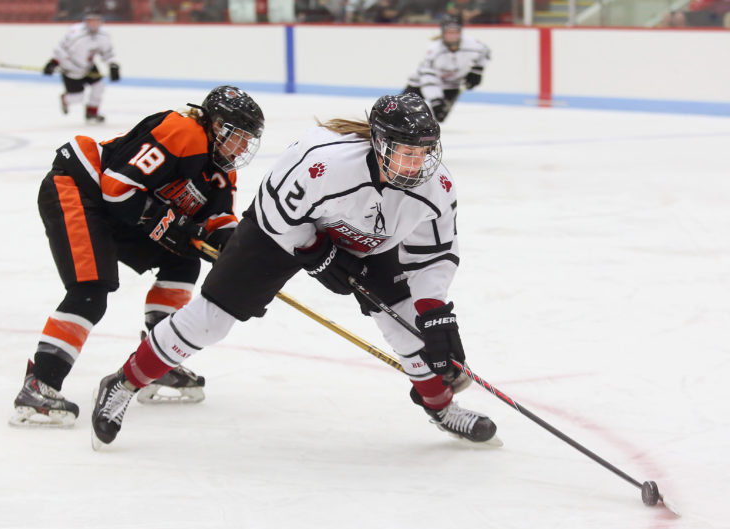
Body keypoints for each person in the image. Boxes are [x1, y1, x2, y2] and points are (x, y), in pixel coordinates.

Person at [89, 92, 498, 448]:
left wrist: (433, 310)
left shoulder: (437, 188)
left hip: (371, 242)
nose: (417, 163)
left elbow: (433, 255)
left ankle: (441, 408)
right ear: (379, 143)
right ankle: (123, 382)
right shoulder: (323, 162)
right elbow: (277, 212)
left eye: (425, 151)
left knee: (407, 324)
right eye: (407, 151)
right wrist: (317, 251)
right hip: (278, 232)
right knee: (212, 320)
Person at [9, 86, 265, 428]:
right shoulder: (183, 131)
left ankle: (159, 359)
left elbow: (218, 221)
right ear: (217, 126)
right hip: (81, 189)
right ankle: (39, 385)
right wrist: (172, 225)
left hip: (120, 211)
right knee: (91, 290)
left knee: (183, 261)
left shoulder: (222, 171)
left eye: (250, 139)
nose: (244, 147)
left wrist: (238, 260)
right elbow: (117, 188)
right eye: (240, 136)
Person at [403, 12, 491, 123]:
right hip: (420, 84)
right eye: (449, 32)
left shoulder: (473, 44)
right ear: (443, 32)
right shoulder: (434, 50)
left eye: (455, 32)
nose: (452, 36)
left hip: (451, 85)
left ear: (460, 32)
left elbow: (485, 53)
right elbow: (428, 77)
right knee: (402, 110)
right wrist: (435, 99)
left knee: (440, 116)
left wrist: (477, 71)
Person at [42, 8, 120, 123]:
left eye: (96, 20)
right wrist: (54, 62)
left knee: (99, 87)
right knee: (77, 98)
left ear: (100, 21)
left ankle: (92, 113)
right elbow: (61, 49)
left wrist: (113, 65)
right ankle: (65, 99)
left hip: (89, 66)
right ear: (86, 21)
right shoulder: (75, 33)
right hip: (71, 68)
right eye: (90, 20)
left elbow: (107, 53)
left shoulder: (103, 35)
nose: (93, 23)